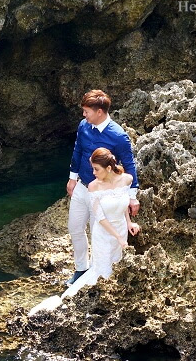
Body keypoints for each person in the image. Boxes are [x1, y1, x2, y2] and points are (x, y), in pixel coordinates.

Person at [30, 148, 141, 314]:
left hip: (120, 230)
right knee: (103, 269)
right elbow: (100, 218)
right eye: (92, 168)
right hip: (104, 232)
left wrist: (129, 223)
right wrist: (119, 237)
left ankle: (113, 302)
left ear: (109, 168)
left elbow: (123, 203)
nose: (93, 173)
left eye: (96, 169)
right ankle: (91, 305)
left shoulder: (126, 179)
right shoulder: (93, 186)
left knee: (117, 264)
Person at [66, 89, 139, 286]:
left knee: (98, 231)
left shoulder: (118, 136)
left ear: (99, 112)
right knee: (74, 227)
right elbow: (78, 151)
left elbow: (129, 166)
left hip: (103, 192)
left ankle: (98, 273)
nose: (83, 115)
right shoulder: (84, 126)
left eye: (86, 111)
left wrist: (132, 197)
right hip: (82, 186)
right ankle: (81, 268)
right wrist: (72, 178)